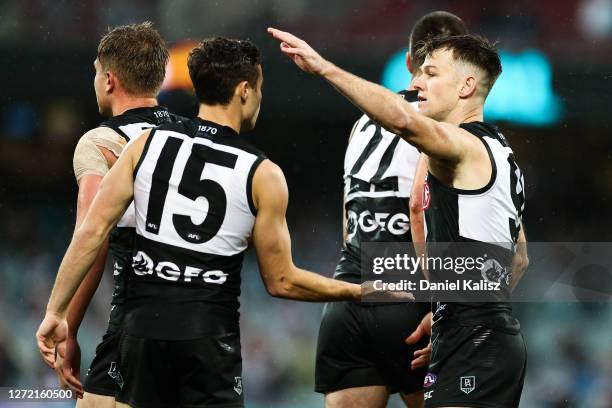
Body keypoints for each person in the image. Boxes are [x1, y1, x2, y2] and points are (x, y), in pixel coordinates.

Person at [36, 37, 364, 408]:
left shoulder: (146, 145)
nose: (259, 98)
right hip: (207, 339)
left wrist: (56, 311)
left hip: (141, 332)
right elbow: (282, 280)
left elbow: (91, 232)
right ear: (244, 91)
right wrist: (354, 290)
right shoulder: (262, 173)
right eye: (259, 89)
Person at [267, 28, 527, 407]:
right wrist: (447, 310)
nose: (418, 83)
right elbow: (519, 258)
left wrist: (324, 68)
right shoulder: (498, 151)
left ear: (466, 86)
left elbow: (405, 123)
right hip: (469, 332)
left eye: (432, 73)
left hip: (477, 341)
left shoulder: (463, 146)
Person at [314, 11, 467, 408]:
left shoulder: (364, 121)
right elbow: (419, 205)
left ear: (407, 62)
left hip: (350, 288)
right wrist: (442, 303)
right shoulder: (445, 125)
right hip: (408, 289)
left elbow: (348, 212)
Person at [51, 22, 185, 406]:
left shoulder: (101, 142)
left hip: (137, 318)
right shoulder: (198, 138)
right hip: (209, 324)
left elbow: (92, 237)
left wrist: (68, 327)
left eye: (95, 73)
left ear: (109, 80)